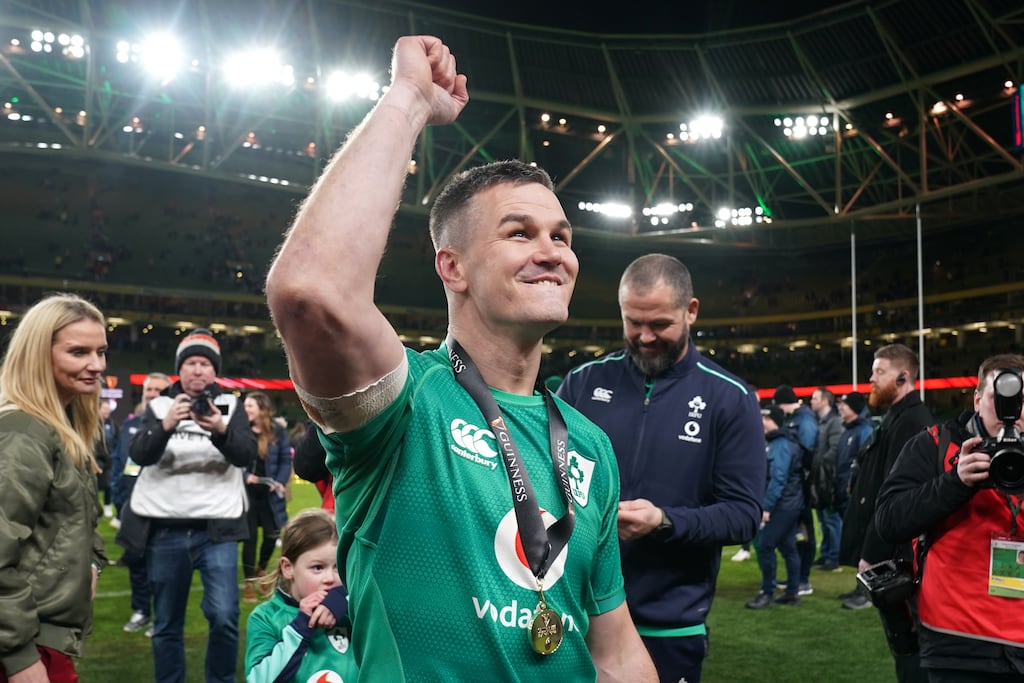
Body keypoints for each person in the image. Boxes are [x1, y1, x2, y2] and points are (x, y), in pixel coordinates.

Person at [265, 35, 657, 682]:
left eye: (561, 236)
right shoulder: (403, 404)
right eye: (519, 233)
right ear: (453, 266)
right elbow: (311, 293)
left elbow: (613, 647)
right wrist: (409, 100)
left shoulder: (589, 444)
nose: (553, 251)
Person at [556, 253, 764, 682]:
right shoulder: (583, 383)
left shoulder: (730, 398)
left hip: (669, 625)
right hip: (574, 613)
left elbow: (743, 516)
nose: (645, 337)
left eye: (660, 325)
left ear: (691, 312)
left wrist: (664, 521)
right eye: (633, 323)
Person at [118, 328, 257, 683]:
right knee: (166, 622)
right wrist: (165, 425)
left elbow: (246, 455)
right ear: (180, 369)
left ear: (215, 371)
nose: (198, 370)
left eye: (205, 364)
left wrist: (221, 430)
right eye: (191, 363)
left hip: (218, 529)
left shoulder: (231, 405)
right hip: (166, 529)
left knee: (225, 616)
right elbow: (138, 455)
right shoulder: (159, 406)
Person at [875, 353, 1024, 681]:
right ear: (976, 399)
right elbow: (888, 520)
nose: (1012, 411)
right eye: (998, 398)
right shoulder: (934, 445)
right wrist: (955, 482)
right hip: (958, 641)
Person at [0, 293, 109, 682]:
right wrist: (18, 658)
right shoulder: (24, 433)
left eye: (101, 351)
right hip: (24, 644)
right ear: (37, 355)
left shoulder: (60, 426)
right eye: (78, 352)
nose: (96, 365)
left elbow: (79, 519)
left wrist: (92, 561)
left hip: (40, 637)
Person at [838, 343, 933, 683]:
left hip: (897, 555)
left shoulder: (913, 422)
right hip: (890, 550)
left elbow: (897, 495)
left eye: (879, 372)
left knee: (908, 643)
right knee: (901, 644)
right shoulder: (898, 417)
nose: (871, 379)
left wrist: (873, 552)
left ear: (904, 376)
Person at [245, 508, 358, 683]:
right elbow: (260, 679)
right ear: (287, 568)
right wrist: (301, 627)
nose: (330, 578)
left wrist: (342, 599)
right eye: (317, 568)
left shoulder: (353, 608)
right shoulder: (266, 617)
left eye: (337, 567)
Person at [110, 371, 171, 635]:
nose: (153, 394)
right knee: (135, 561)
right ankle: (141, 611)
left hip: (164, 508)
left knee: (163, 566)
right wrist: (118, 501)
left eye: (160, 390)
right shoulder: (131, 424)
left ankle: (162, 616)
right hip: (133, 506)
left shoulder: (178, 428)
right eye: (150, 390)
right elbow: (119, 464)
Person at [746, 405, 804, 609]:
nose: (762, 422)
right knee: (788, 547)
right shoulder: (775, 442)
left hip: (783, 505)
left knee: (765, 545)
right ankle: (792, 592)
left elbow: (778, 479)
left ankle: (767, 591)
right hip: (789, 503)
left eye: (766, 418)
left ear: (775, 421)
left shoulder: (780, 445)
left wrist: (767, 507)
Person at [242, 391, 292, 602]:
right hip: (248, 494)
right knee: (250, 539)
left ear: (262, 409)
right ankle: (249, 584)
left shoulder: (278, 431)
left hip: (271, 494)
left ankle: (261, 569)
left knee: (272, 536)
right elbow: (233, 459)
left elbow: (284, 460)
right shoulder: (241, 430)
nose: (245, 410)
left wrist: (279, 481)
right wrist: (245, 476)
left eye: (250, 406)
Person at [773, 384, 818, 595]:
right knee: (796, 534)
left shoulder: (805, 420)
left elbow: (807, 454)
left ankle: (804, 580)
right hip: (797, 485)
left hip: (803, 486)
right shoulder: (796, 419)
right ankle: (797, 578)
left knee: (805, 533)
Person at [809, 386, 844, 571]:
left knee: (831, 520)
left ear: (825, 401)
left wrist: (820, 466)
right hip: (820, 478)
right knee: (823, 520)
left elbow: (835, 451)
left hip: (828, 479)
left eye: (815, 398)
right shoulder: (821, 421)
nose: (811, 401)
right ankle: (826, 554)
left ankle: (835, 558)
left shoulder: (834, 422)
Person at [96, 399, 118, 519]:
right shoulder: (93, 424)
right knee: (93, 485)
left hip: (110, 460)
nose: (106, 411)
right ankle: (95, 508)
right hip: (97, 460)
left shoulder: (113, 424)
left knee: (109, 485)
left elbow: (117, 440)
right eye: (104, 408)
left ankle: (107, 506)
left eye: (108, 409)